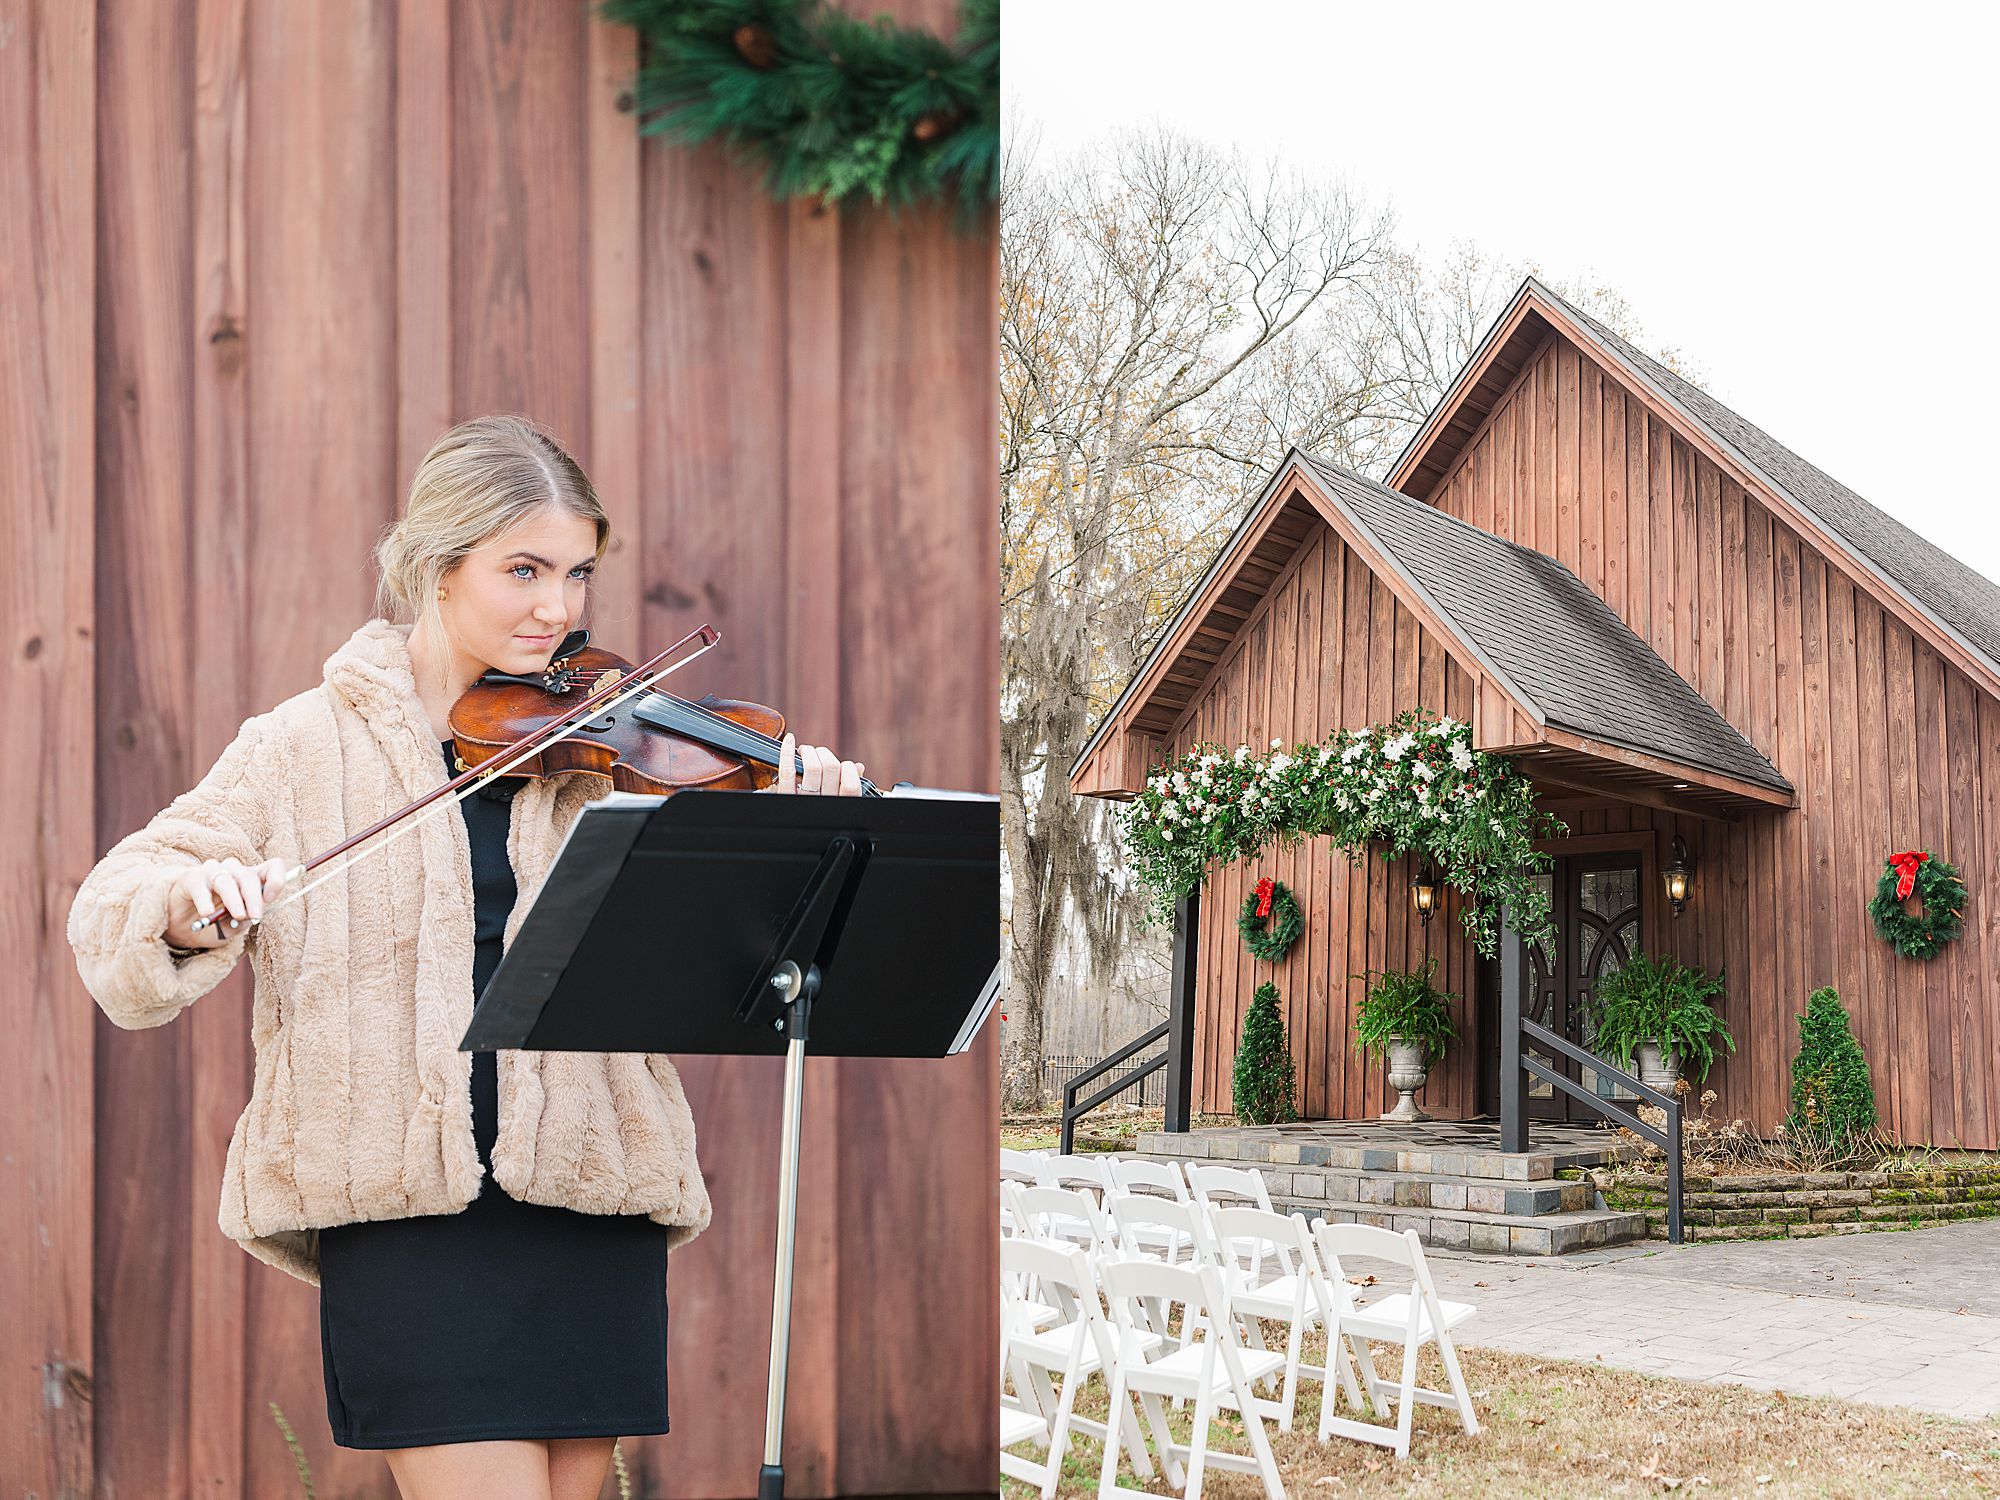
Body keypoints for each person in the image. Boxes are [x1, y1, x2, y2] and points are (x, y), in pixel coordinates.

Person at [65, 414, 865, 1500]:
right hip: (407, 1218)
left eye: (578, 572)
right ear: (437, 567)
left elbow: (721, 959)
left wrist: (789, 825)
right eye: (523, 569)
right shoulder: (303, 746)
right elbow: (122, 892)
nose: (559, 608)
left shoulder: (604, 747)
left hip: (587, 1200)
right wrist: (183, 905)